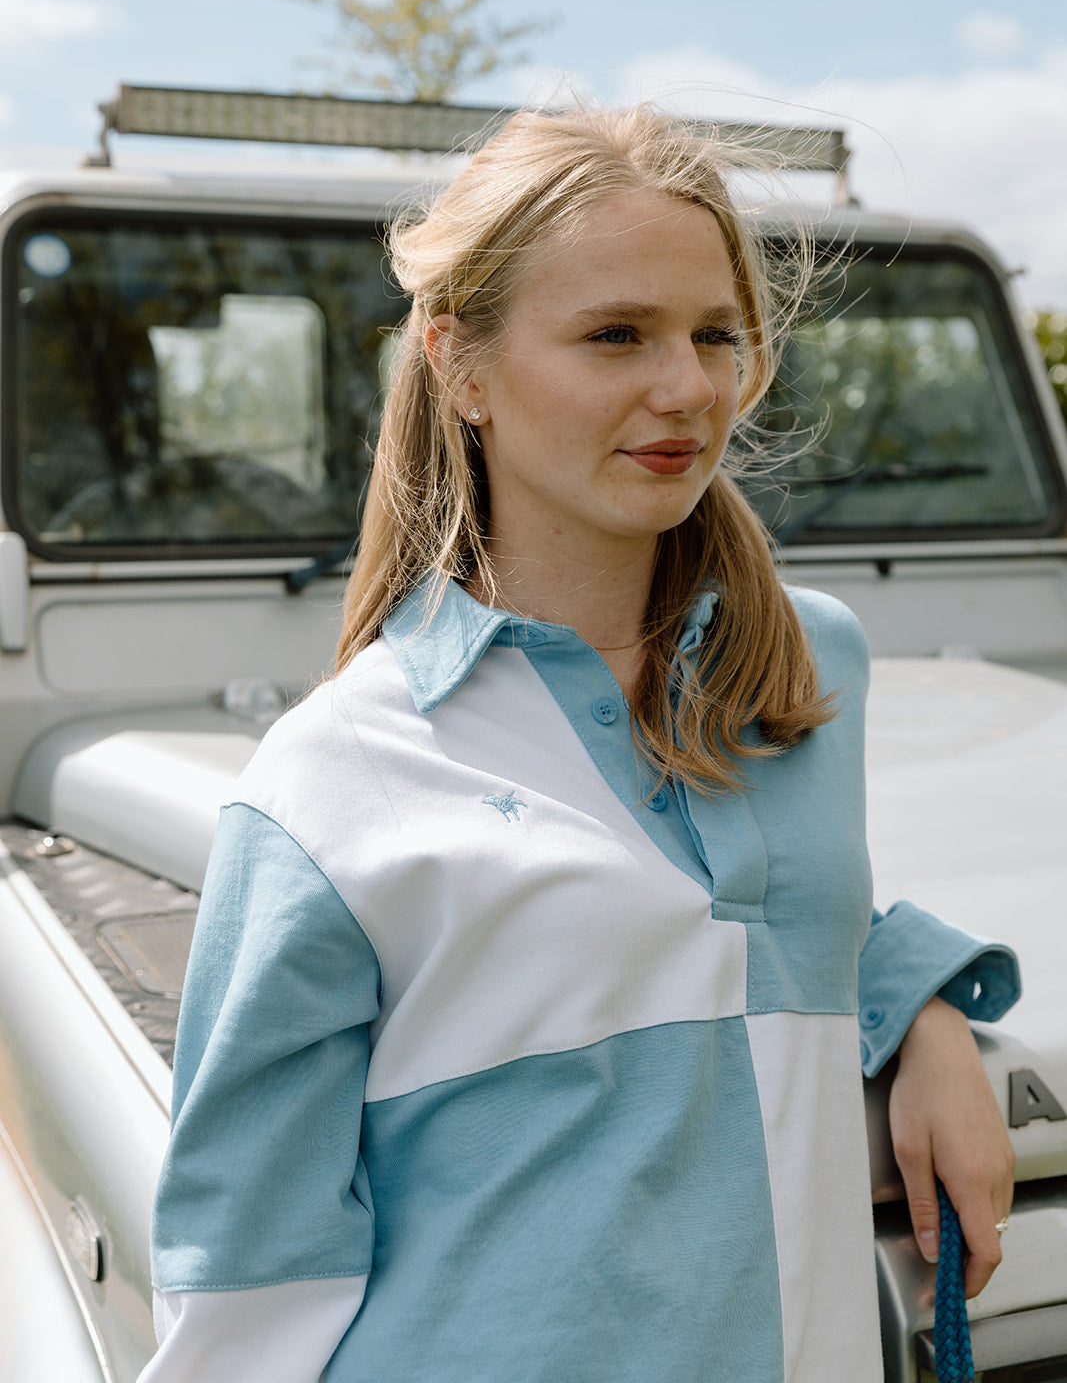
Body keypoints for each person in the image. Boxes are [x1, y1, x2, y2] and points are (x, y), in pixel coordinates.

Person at [141, 106, 1019, 1383]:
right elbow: (243, 1290)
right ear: (459, 365)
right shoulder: (331, 780)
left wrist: (915, 1007)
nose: (687, 388)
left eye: (714, 334)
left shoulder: (810, 668)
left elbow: (736, 924)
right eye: (616, 335)